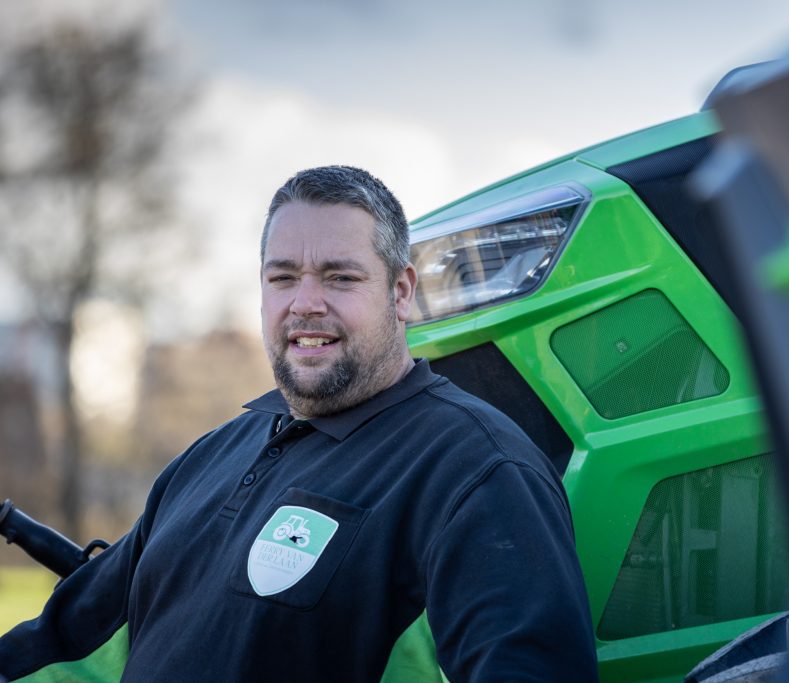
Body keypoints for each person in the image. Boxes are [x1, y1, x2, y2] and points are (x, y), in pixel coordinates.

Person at [0, 166, 599, 682]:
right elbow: (68, 650)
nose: (304, 302)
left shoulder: (478, 472)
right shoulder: (209, 457)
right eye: (283, 277)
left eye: (340, 277)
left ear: (400, 292)